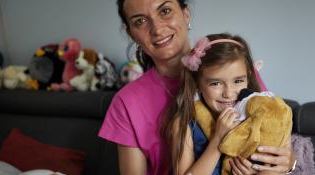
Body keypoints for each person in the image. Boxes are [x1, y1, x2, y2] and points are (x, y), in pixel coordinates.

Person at [98, 0, 295, 174]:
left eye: (165, 11)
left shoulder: (236, 70)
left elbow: (274, 133)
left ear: (185, 13)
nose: (157, 29)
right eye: (140, 21)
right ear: (131, 34)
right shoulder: (126, 102)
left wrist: (288, 163)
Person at [162, 33, 293, 175]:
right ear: (198, 84)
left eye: (238, 81)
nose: (229, 94)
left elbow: (281, 164)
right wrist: (218, 139)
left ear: (248, 78)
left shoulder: (263, 112)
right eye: (216, 83)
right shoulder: (184, 124)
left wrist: (260, 171)